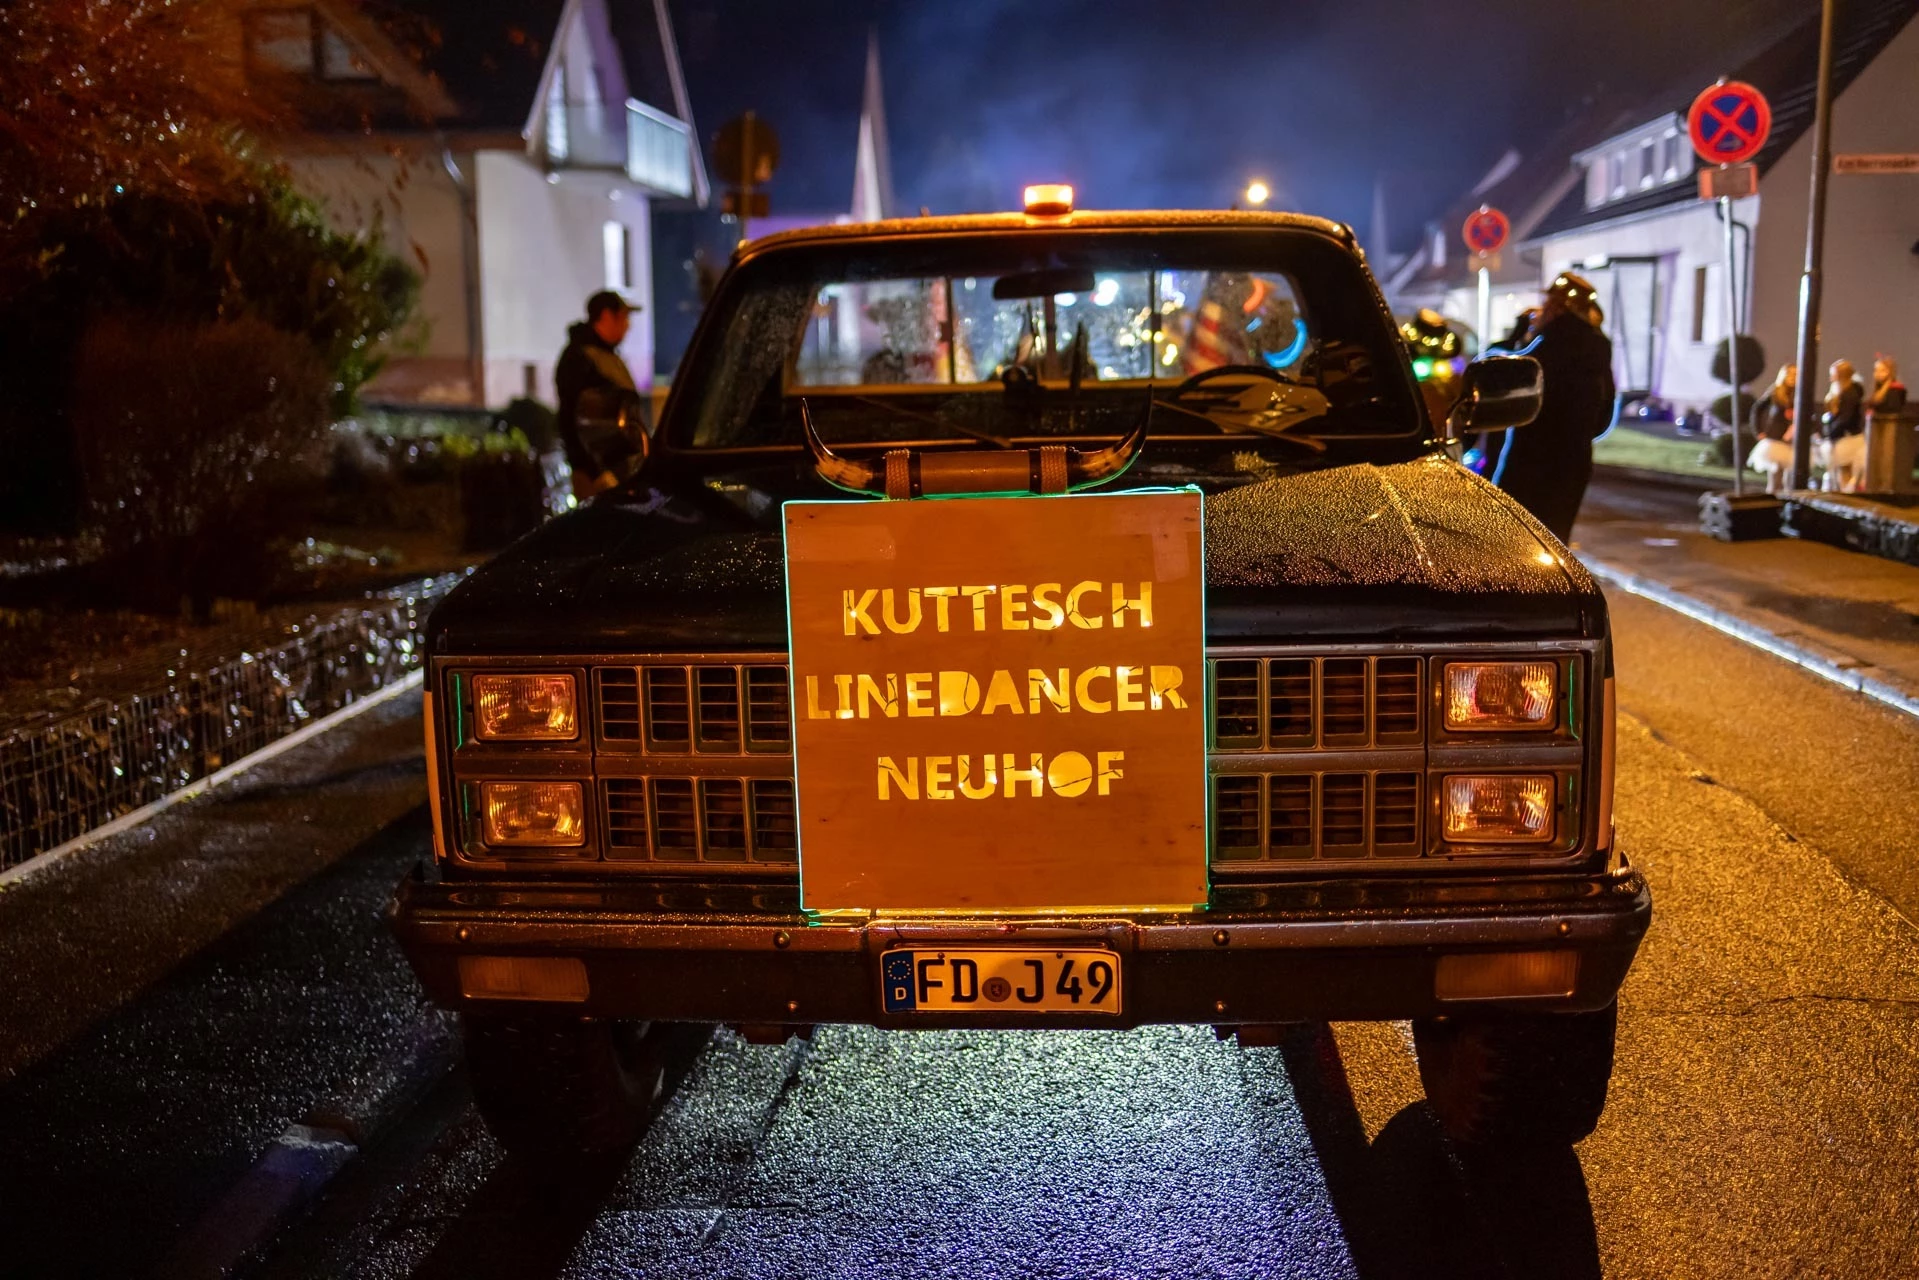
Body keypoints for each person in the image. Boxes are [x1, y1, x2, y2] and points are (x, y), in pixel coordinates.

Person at [1491, 272, 1615, 543]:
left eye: (1548, 303)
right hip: (1575, 459)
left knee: (1516, 539)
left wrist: (1516, 335)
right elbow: (1605, 410)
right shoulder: (1599, 348)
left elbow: (1503, 375)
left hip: (1531, 458)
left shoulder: (1546, 345)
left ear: (1558, 307)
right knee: (1556, 542)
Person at [556, 291, 647, 499]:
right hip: (598, 476)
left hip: (622, 470)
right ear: (606, 316)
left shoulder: (608, 356)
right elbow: (570, 420)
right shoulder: (580, 358)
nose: (628, 326)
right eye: (623, 317)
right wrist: (595, 472)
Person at [1815, 358, 1865, 492]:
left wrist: (1830, 433)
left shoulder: (1850, 394)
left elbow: (1845, 418)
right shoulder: (1839, 391)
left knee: (1845, 474)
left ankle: (1846, 497)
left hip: (1847, 439)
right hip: (1839, 438)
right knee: (1839, 475)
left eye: (1833, 374)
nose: (1830, 377)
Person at [1748, 364, 1796, 495]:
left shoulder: (1800, 392)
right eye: (1790, 374)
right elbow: (1757, 409)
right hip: (1776, 439)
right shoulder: (1776, 391)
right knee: (1775, 478)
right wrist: (1758, 430)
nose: (1793, 377)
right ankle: (1772, 500)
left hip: (1792, 439)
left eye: (1796, 374)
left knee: (1789, 480)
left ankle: (1787, 501)